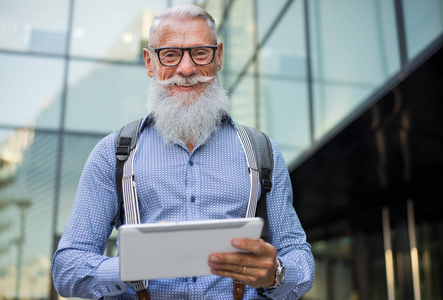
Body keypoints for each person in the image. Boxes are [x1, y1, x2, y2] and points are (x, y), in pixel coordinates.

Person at [52, 4, 315, 299]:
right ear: (150, 62)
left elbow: (300, 259)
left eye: (200, 52)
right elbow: (66, 268)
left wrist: (276, 273)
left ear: (219, 57)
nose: (186, 69)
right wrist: (132, 266)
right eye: (170, 54)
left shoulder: (262, 152)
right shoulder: (112, 155)